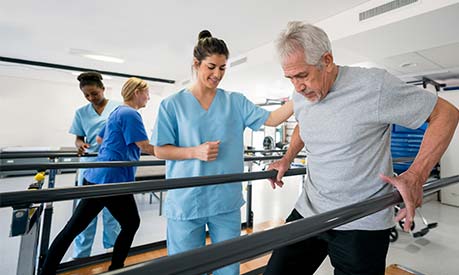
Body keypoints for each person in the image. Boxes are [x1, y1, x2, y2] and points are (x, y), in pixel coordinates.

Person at [264, 21, 459, 275]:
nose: (297, 87)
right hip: (310, 210)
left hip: (362, 220)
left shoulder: (373, 86)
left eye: (302, 75)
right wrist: (287, 157)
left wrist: (416, 175)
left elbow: (446, 114)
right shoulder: (302, 94)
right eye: (290, 78)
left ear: (327, 60)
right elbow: (304, 123)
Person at [151, 30, 293, 275]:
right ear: (196, 64)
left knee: (228, 268)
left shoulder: (234, 102)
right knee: (185, 269)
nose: (217, 74)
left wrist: (300, 92)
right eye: (211, 67)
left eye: (223, 68)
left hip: (224, 201)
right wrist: (194, 152)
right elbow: (159, 150)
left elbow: (272, 118)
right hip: (186, 201)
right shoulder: (172, 104)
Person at [40, 77, 156, 275]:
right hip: (113, 179)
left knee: (75, 228)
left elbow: (100, 139)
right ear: (137, 92)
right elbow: (145, 147)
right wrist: (181, 153)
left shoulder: (116, 112)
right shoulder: (130, 114)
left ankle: (47, 270)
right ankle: (116, 268)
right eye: (146, 93)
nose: (148, 97)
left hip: (98, 176)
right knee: (130, 223)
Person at [69, 71, 121, 258]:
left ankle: (112, 251)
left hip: (111, 166)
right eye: (87, 95)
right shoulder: (81, 113)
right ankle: (81, 255)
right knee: (85, 216)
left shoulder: (118, 108)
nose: (91, 98)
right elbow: (78, 138)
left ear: (103, 89)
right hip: (89, 165)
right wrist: (79, 145)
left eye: (95, 94)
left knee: (112, 214)